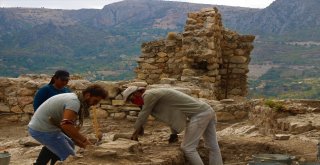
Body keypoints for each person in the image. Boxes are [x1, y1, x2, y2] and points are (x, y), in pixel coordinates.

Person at [122, 86, 223, 165]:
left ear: (136, 93)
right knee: (213, 146)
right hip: (207, 110)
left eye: (131, 99)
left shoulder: (148, 95)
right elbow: (172, 115)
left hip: (200, 115)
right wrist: (173, 134)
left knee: (188, 148)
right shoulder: (155, 93)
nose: (132, 102)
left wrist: (134, 133)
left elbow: (143, 114)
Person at [28, 84, 108, 162]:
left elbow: (67, 129)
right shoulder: (74, 102)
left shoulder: (75, 98)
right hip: (42, 129)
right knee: (70, 157)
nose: (95, 104)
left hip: (47, 127)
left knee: (69, 145)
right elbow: (66, 125)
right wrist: (85, 141)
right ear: (88, 95)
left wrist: (84, 145)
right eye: (95, 100)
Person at [32, 70, 71, 165]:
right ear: (55, 78)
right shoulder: (45, 90)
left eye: (67, 80)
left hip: (62, 123)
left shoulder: (66, 91)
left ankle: (55, 162)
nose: (65, 83)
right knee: (52, 143)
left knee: (60, 143)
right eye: (62, 80)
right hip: (48, 122)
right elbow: (37, 107)